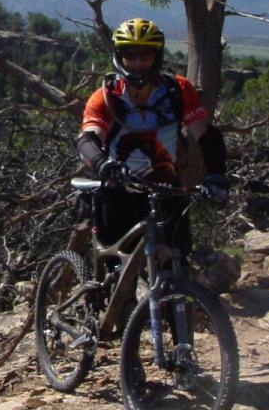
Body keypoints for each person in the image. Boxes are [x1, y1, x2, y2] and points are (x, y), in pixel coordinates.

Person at [74, 17, 228, 263]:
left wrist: (217, 174)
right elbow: (88, 139)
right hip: (119, 189)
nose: (137, 63)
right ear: (119, 56)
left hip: (167, 188)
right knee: (115, 265)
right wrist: (102, 164)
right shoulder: (105, 97)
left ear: (156, 56)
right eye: (130, 55)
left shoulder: (177, 90)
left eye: (144, 55)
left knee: (178, 258)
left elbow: (207, 135)